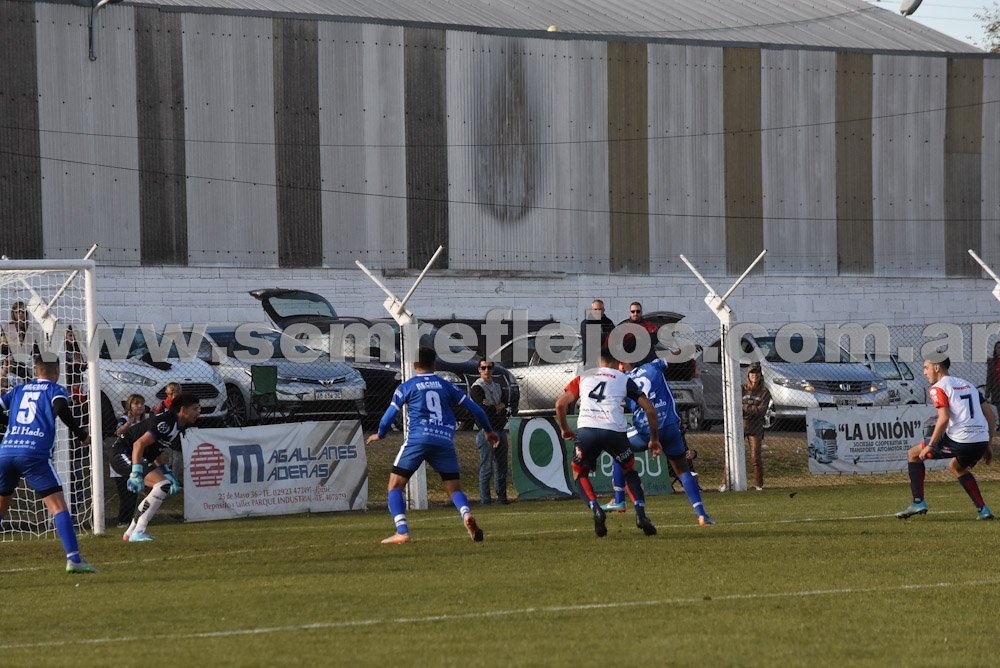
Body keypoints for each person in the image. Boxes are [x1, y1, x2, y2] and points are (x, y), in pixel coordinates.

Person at [365, 347, 499, 545]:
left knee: (395, 486)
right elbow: (476, 409)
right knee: (453, 489)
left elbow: (389, 416)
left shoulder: (407, 386)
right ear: (434, 364)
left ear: (413, 364)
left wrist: (381, 433)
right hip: (444, 440)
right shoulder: (446, 385)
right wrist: (488, 430)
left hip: (418, 440)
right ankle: (466, 514)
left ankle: (402, 532)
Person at [0, 356, 97, 573]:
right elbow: (61, 407)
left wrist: (10, 425)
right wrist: (81, 433)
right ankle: (74, 559)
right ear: (56, 372)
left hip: (6, 451)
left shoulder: (18, 390)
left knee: (2, 505)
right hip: (33, 453)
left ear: (36, 371)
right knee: (58, 507)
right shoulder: (55, 389)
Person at [555, 347, 661, 538]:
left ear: (599, 361)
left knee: (580, 473)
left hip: (587, 429)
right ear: (617, 362)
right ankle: (641, 514)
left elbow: (560, 404)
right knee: (629, 470)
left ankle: (595, 508)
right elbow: (650, 411)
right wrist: (654, 439)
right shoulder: (623, 378)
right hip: (614, 431)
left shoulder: (584, 377)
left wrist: (564, 429)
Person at [603, 356, 714, 526]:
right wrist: (688, 350)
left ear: (621, 365)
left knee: (617, 447)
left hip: (646, 430)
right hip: (670, 426)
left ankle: (619, 499)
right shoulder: (654, 366)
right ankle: (702, 515)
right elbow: (675, 357)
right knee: (682, 470)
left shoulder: (621, 380)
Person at [896, 357, 995, 520]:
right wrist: (988, 443)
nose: (924, 372)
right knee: (957, 466)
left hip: (961, 440)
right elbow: (990, 415)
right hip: (980, 440)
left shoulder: (938, 388)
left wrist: (930, 445)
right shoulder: (968, 385)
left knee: (913, 454)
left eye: (926, 368)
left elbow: (944, 418)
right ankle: (983, 510)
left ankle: (918, 502)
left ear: (936, 368)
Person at [110, 392, 201, 542]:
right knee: (162, 485)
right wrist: (136, 472)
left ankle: (130, 532)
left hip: (137, 455)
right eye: (195, 408)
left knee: (155, 492)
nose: (198, 412)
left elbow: (153, 452)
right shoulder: (167, 422)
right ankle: (138, 532)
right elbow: (138, 444)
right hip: (123, 453)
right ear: (183, 410)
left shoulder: (177, 425)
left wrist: (167, 472)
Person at [470, 358, 509, 505]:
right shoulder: (476, 388)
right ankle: (485, 499)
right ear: (479, 370)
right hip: (486, 430)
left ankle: (502, 497)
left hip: (499, 428)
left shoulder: (498, 386)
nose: (486, 371)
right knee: (486, 466)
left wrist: (497, 406)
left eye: (489, 368)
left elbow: (507, 403)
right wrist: (497, 407)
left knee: (502, 466)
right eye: (483, 368)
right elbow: (482, 408)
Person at [110, 393, 146, 527]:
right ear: (129, 405)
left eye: (142, 403)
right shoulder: (124, 419)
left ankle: (130, 520)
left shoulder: (144, 421)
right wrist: (129, 423)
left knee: (134, 493)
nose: (140, 406)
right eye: (136, 403)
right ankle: (123, 521)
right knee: (126, 494)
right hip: (121, 459)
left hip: (136, 460)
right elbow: (118, 432)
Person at [579, 299, 615, 368]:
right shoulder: (586, 323)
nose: (598, 312)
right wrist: (606, 335)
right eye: (595, 309)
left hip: (607, 361)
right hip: (591, 362)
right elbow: (591, 340)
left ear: (604, 310)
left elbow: (614, 337)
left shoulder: (608, 322)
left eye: (600, 309)